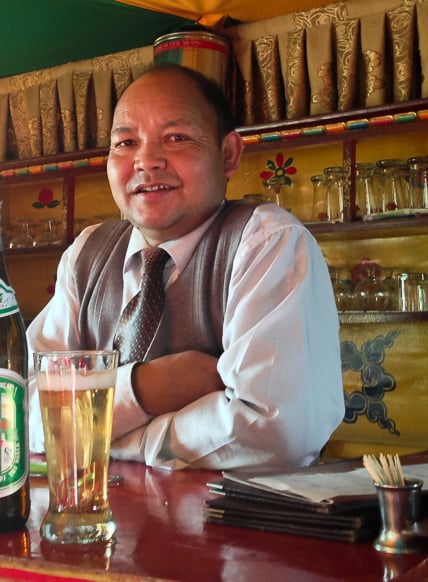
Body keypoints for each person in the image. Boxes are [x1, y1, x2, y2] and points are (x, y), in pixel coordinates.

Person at [27, 63, 343, 471]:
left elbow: (275, 431)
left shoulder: (266, 241)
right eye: (125, 142)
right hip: (89, 527)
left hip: (225, 530)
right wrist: (148, 389)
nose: (146, 161)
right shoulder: (87, 253)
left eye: (176, 138)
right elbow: (18, 411)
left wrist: (107, 438)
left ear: (227, 155)